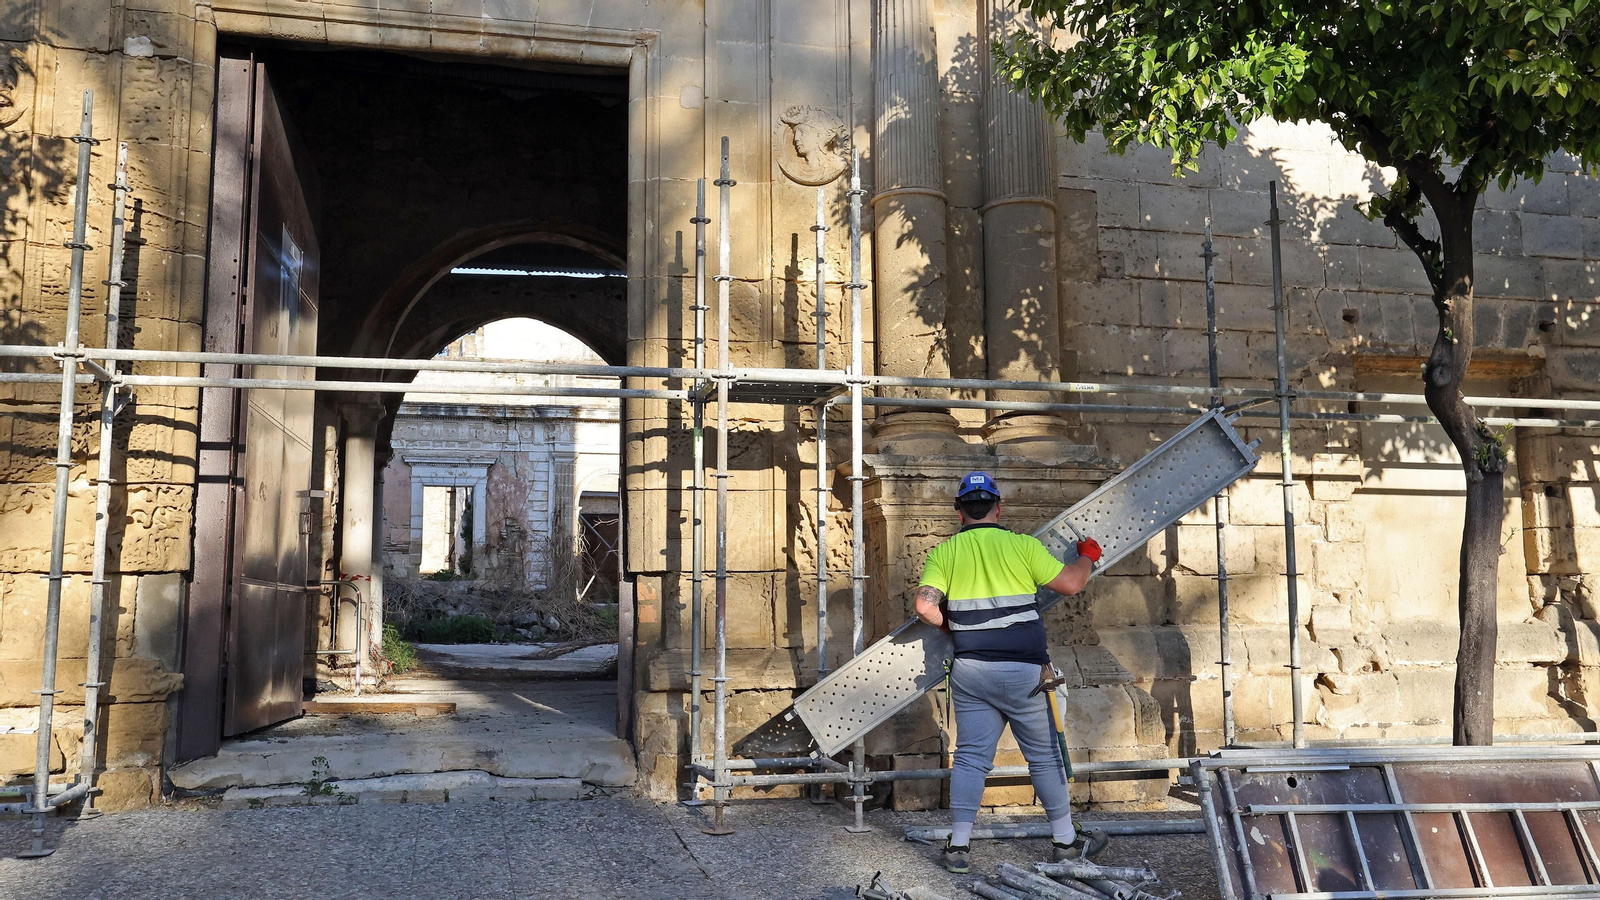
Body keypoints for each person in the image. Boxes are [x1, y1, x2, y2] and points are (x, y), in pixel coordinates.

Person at [911, 471, 1105, 874]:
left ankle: (959, 847)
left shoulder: (944, 553)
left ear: (959, 512)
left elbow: (925, 608)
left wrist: (957, 626)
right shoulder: (1022, 546)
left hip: (971, 672)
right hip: (1025, 675)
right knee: (1045, 759)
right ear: (998, 508)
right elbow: (1070, 583)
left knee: (970, 759)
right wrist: (1088, 555)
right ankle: (1065, 841)